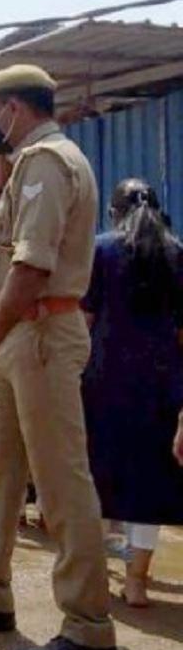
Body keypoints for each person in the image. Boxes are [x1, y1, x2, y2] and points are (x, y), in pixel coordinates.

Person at [0, 64, 118, 650]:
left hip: (37, 333)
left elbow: (30, 270)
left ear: (13, 107)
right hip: (20, 335)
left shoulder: (47, 162)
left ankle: (89, 628)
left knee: (61, 485)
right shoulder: (34, 165)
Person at [80, 179, 183, 607]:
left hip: (104, 379)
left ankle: (96, 575)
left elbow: (83, 322)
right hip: (161, 385)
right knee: (150, 481)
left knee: (97, 476)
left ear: (113, 213)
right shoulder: (177, 254)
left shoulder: (101, 251)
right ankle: (137, 581)